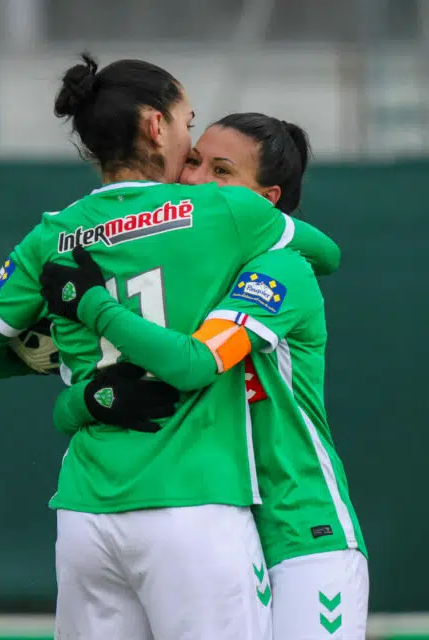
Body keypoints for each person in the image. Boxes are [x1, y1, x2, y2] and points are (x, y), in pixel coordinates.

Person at [0, 53, 341, 639]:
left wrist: (66, 372)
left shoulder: (51, 235)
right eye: (188, 121)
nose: (191, 143)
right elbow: (324, 253)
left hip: (85, 508)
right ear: (157, 126)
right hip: (194, 505)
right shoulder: (226, 209)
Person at [45, 113, 368, 639]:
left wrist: (92, 304)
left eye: (221, 171)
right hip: (215, 527)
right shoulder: (180, 281)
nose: (195, 180)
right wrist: (87, 402)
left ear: (265, 199)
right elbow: (71, 400)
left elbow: (193, 364)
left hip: (300, 533)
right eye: (193, 160)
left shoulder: (278, 271)